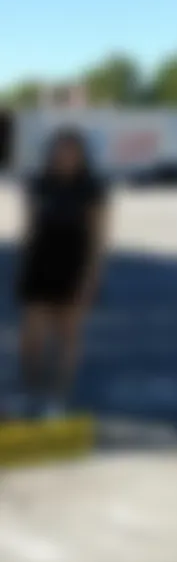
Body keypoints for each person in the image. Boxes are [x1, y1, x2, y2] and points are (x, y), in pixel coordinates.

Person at [10, 128, 109, 418]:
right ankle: (32, 391)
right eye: (59, 153)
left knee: (68, 337)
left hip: (74, 267)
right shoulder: (40, 184)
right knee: (32, 339)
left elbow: (97, 238)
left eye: (70, 153)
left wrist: (91, 278)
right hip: (40, 266)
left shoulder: (90, 189)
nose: (64, 158)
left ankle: (57, 399)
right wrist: (23, 267)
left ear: (80, 157)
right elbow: (29, 230)